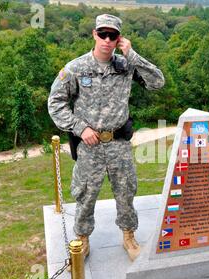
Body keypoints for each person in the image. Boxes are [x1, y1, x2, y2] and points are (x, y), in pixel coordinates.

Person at [48, 14, 165, 261]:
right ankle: (82, 239)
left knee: (126, 191)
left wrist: (132, 55)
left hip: (119, 144)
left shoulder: (125, 66)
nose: (107, 40)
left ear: (118, 39)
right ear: (94, 34)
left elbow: (157, 82)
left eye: (113, 35)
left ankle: (129, 238)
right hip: (90, 146)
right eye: (103, 34)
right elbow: (56, 103)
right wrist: (79, 127)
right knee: (85, 193)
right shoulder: (75, 68)